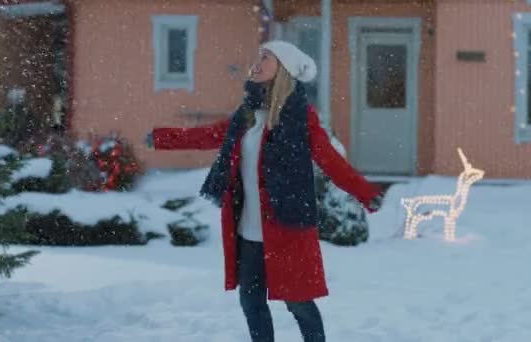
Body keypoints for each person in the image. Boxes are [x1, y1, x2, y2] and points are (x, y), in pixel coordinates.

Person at [147, 40, 382, 342]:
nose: (255, 64)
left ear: (282, 68)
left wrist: (365, 193)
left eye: (265, 58)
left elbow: (329, 159)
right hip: (248, 230)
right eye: (257, 57)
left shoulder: (300, 117)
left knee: (297, 302)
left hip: (287, 226)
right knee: (251, 300)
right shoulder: (246, 115)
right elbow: (208, 135)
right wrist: (163, 138)